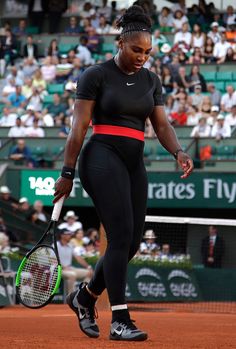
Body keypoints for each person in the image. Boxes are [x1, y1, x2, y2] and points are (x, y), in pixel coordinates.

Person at [53, 5, 193, 341]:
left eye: (147, 51)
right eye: (136, 49)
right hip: (101, 156)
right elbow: (79, 128)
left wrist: (178, 150)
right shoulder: (95, 75)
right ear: (120, 42)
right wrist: (67, 172)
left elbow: (161, 123)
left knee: (130, 243)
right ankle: (120, 319)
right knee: (120, 236)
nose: (142, 56)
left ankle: (84, 298)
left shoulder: (151, 80)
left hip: (133, 162)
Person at [57, 228, 93, 294]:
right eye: (68, 234)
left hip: (70, 268)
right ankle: (71, 297)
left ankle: (82, 294)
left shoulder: (70, 246)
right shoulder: (55, 245)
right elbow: (53, 260)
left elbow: (78, 258)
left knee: (89, 272)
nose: (70, 236)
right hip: (59, 269)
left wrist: (88, 266)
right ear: (62, 236)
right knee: (72, 275)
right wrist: (63, 267)